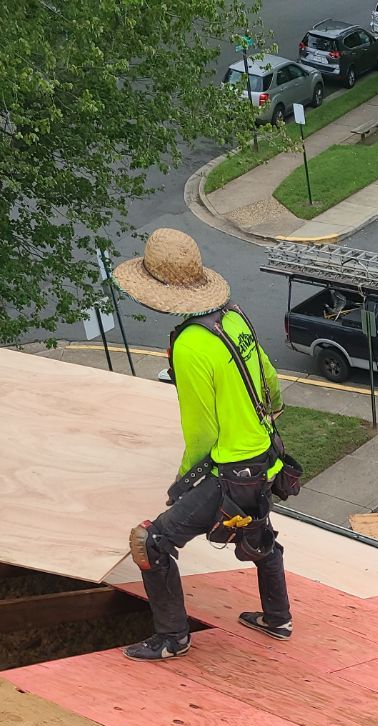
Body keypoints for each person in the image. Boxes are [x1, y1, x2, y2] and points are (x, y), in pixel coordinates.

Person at [112, 228, 294, 661]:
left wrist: (184, 482)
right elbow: (270, 382)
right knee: (259, 535)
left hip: (230, 472)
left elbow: (202, 430)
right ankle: (278, 617)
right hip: (265, 461)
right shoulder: (234, 317)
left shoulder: (191, 344)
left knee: (151, 542)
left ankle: (172, 637)